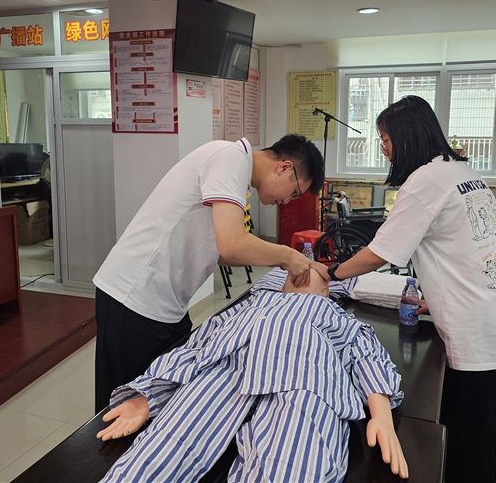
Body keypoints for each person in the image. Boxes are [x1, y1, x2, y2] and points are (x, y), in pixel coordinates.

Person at [325, 95, 496, 483]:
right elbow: (465, 253)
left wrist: (331, 274)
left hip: (482, 341)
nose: (384, 150)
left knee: (467, 459)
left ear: (407, 136)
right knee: (468, 445)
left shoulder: (424, 182)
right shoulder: (460, 171)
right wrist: (435, 302)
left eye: (386, 140)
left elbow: (378, 254)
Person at [96, 268, 408, 483]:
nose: (305, 267)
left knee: (294, 465)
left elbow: (367, 356)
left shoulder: (339, 317)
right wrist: (151, 394)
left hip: (305, 378)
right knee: (164, 447)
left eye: (315, 269)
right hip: (223, 370)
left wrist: (380, 415)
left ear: (327, 291)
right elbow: (198, 346)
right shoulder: (251, 303)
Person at [93, 135, 326, 412]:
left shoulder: (236, 172)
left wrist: (284, 262)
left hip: (168, 303)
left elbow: (222, 252)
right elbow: (232, 244)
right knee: (124, 404)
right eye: (294, 192)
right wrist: (287, 256)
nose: (287, 201)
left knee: (162, 394)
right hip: (134, 296)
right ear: (284, 167)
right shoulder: (230, 158)